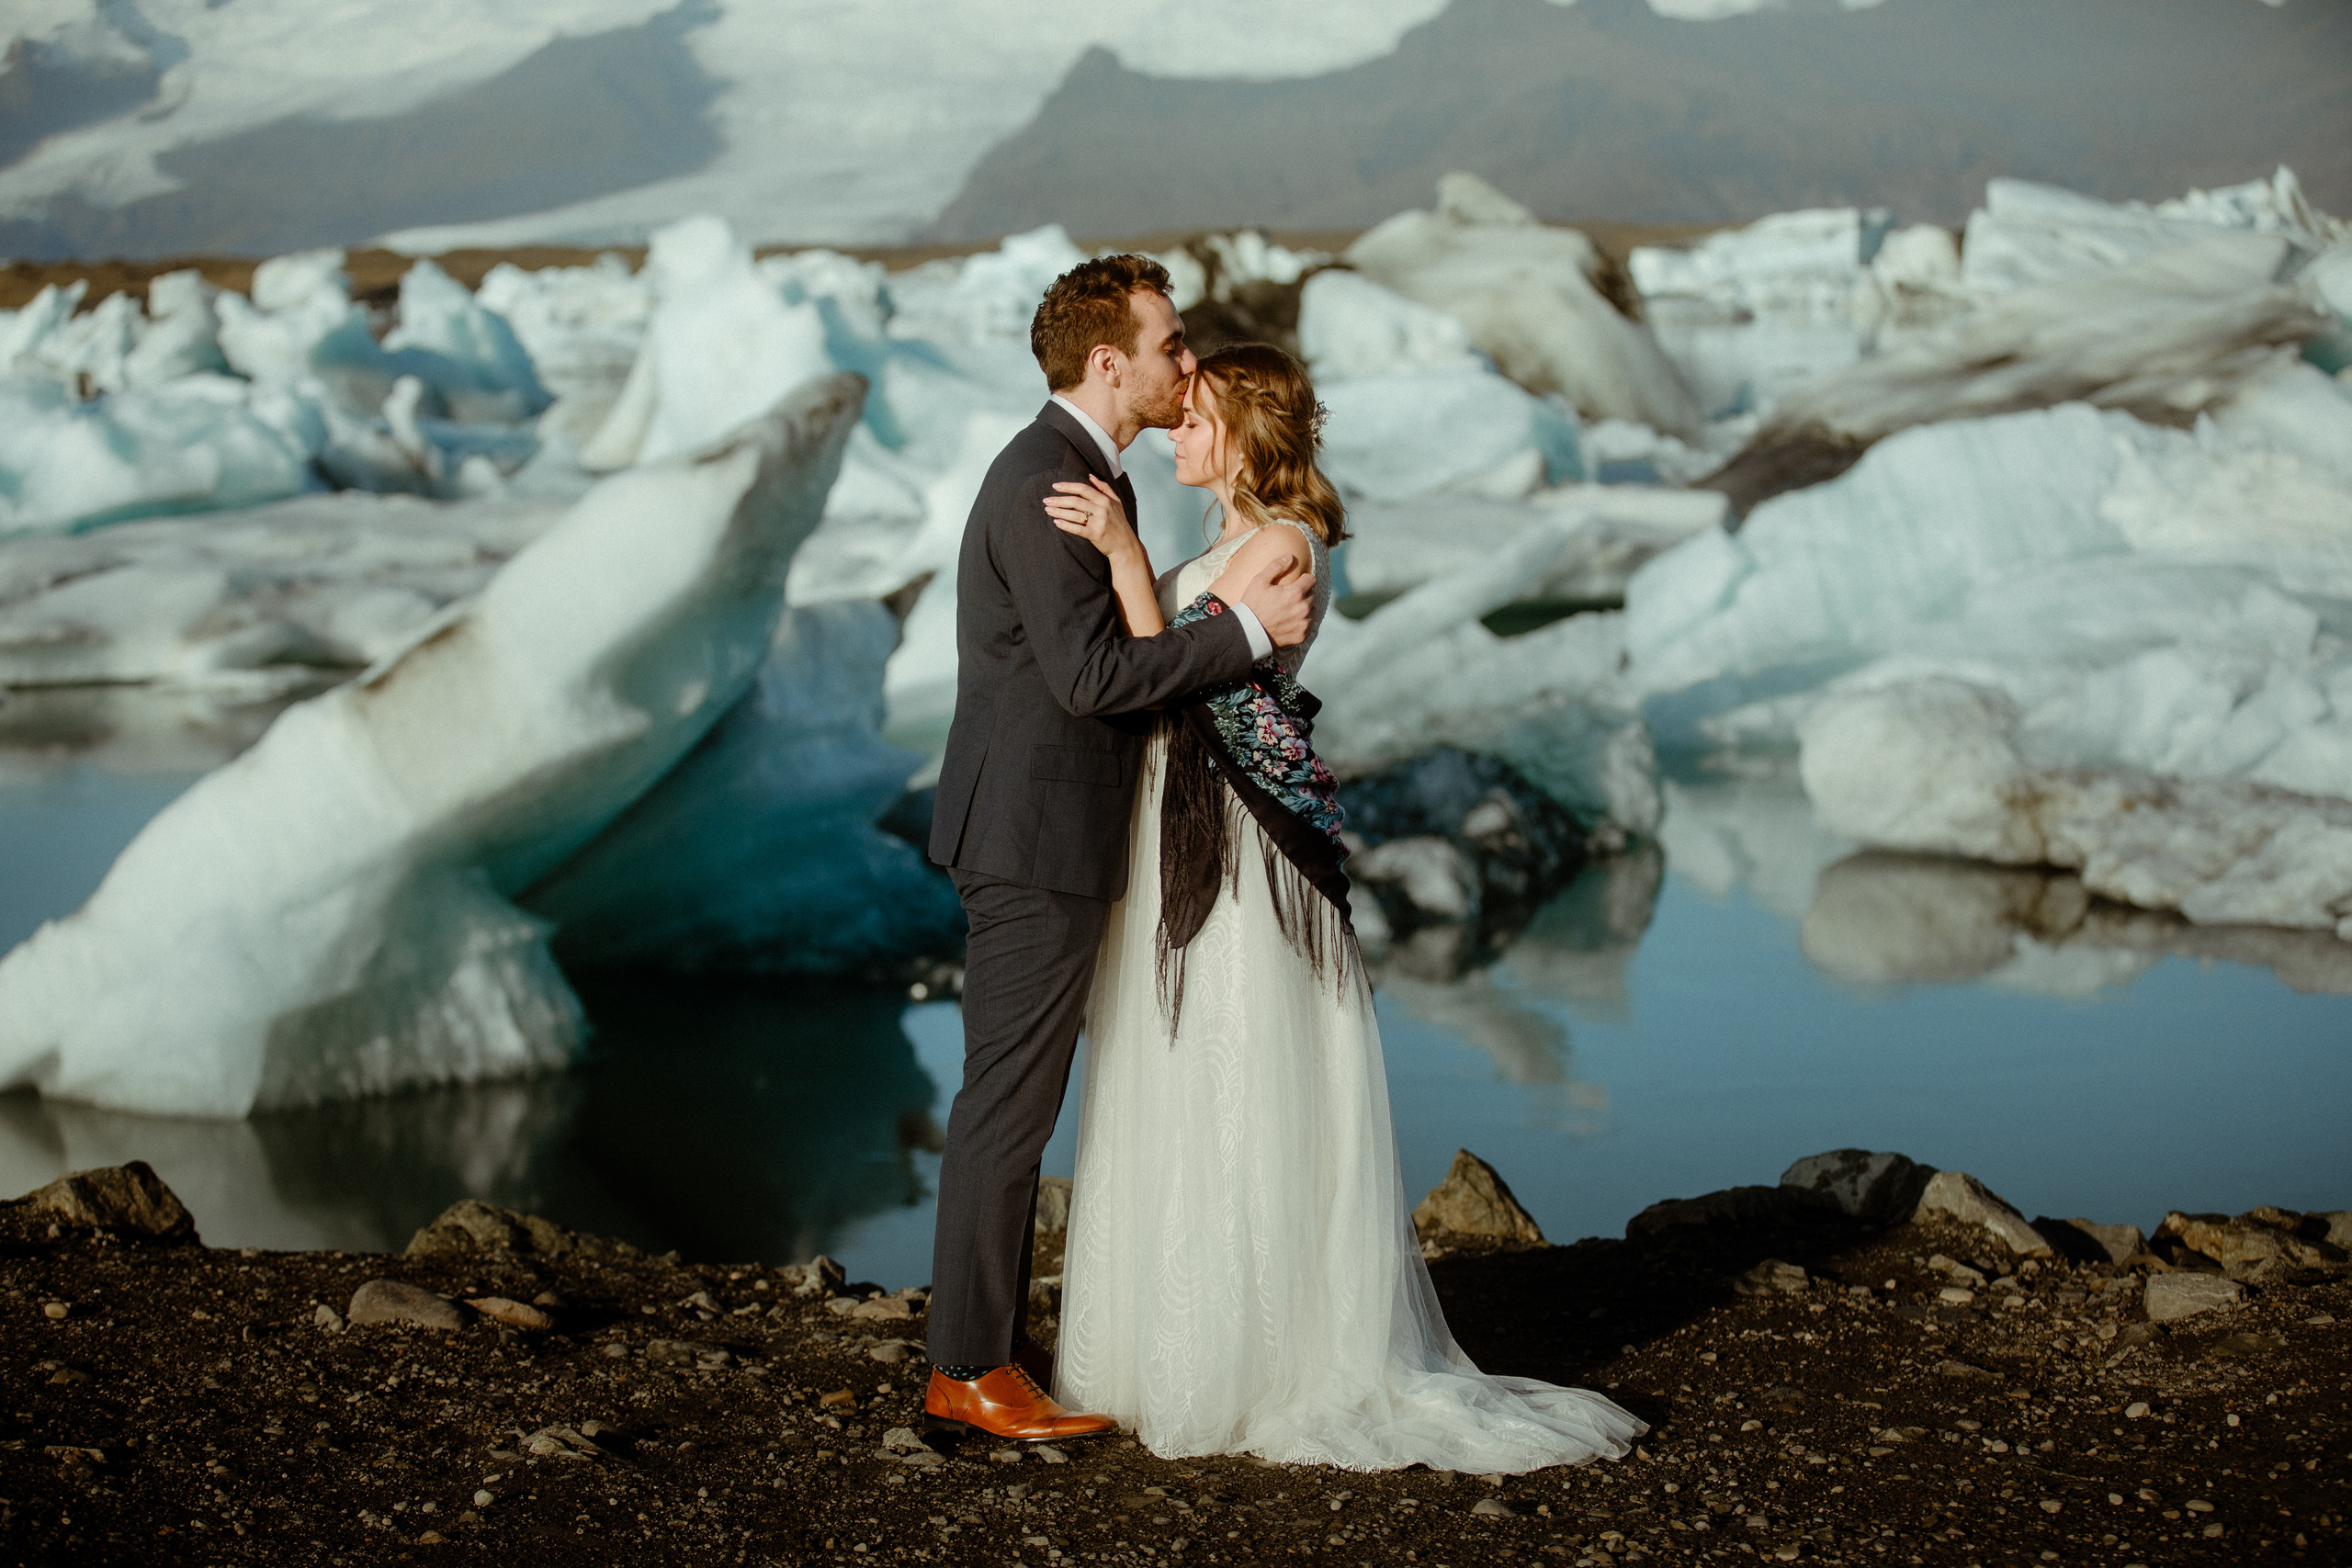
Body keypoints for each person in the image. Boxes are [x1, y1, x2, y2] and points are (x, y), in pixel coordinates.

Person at [1039, 342, 1648, 1472]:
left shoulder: (1279, 545)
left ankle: (1258, 1358)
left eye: (1197, 418)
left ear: (1248, 431)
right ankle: (1169, 1345)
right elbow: (1155, 670)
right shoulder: (1230, 541)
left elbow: (1166, 666)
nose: (1177, 430)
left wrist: (1124, 551)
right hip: (1185, 823)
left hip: (1238, 843)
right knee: (1181, 1069)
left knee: (1240, 1064)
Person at [922, 257, 1319, 1444]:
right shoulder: (1049, 481)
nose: (1183, 362)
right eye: (1169, 341)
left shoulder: (1087, 479)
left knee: (1014, 1096)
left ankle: (980, 1346)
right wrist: (1248, 631)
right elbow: (1093, 678)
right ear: (1110, 360)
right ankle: (968, 1367)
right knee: (1007, 1101)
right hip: (1033, 834)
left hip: (1058, 829)